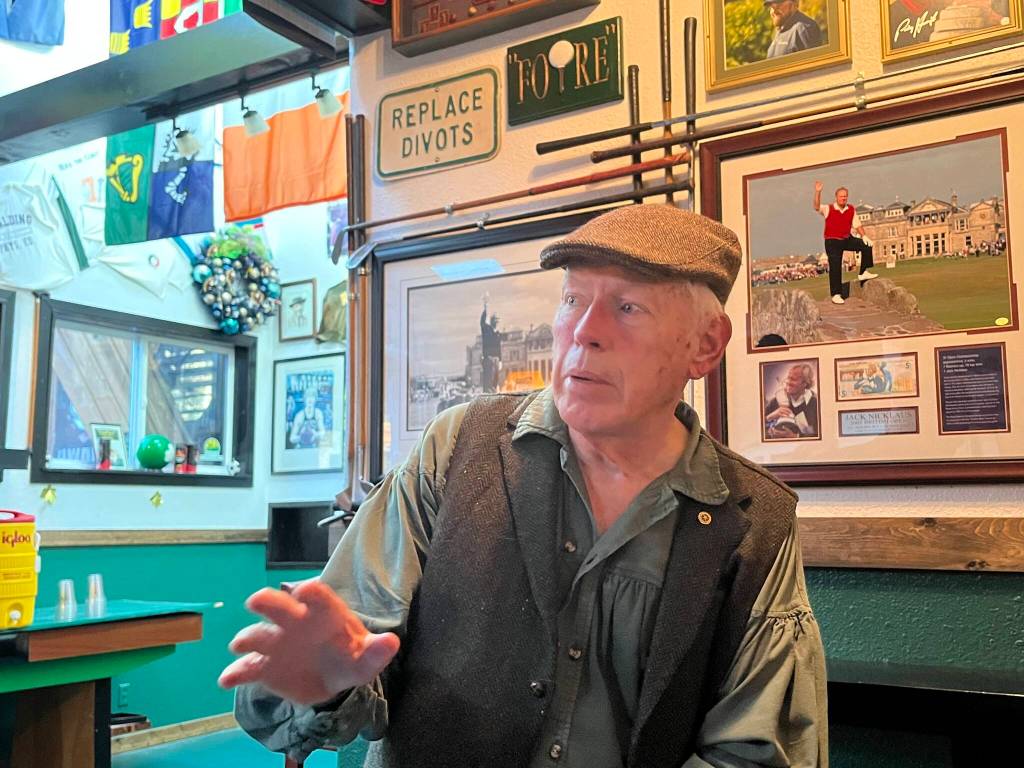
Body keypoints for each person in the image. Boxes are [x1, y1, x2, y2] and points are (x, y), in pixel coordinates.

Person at [221, 205, 828, 768]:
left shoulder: (753, 521)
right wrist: (323, 687)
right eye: (572, 301)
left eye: (628, 307)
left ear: (705, 345)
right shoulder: (457, 448)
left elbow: (756, 754)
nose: (584, 332)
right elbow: (347, 655)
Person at [814, 181, 879, 305]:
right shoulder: (829, 208)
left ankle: (863, 272)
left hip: (846, 238)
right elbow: (817, 206)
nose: (843, 198)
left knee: (866, 245)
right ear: (836, 197)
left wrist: (864, 236)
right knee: (835, 267)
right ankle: (836, 294)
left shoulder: (851, 209)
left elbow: (857, 224)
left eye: (845, 196)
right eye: (841, 196)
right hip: (832, 241)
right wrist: (818, 192)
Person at [764, 362, 820, 438]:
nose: (788, 382)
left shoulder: (815, 403)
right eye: (788, 378)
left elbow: (821, 435)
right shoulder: (776, 400)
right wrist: (769, 418)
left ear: (805, 383)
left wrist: (795, 436)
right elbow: (756, 427)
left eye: (793, 379)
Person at [480, 297, 503, 393]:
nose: (497, 322)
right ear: (492, 321)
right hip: (488, 359)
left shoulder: (497, 333)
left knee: (495, 383)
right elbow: (482, 321)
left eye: (498, 320)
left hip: (496, 360)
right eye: (495, 320)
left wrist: (500, 360)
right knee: (488, 385)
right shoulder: (487, 329)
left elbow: (499, 348)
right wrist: (485, 308)